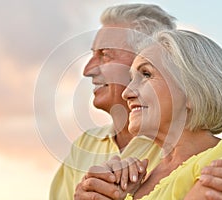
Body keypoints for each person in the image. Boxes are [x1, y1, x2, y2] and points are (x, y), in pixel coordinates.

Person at [77, 29, 222, 200]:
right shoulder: (134, 183)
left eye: (146, 74)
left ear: (192, 90)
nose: (127, 93)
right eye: (132, 79)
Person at [49, 4, 177, 200]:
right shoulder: (86, 144)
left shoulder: (182, 149)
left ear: (148, 62)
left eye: (105, 55)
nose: (88, 70)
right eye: (93, 55)